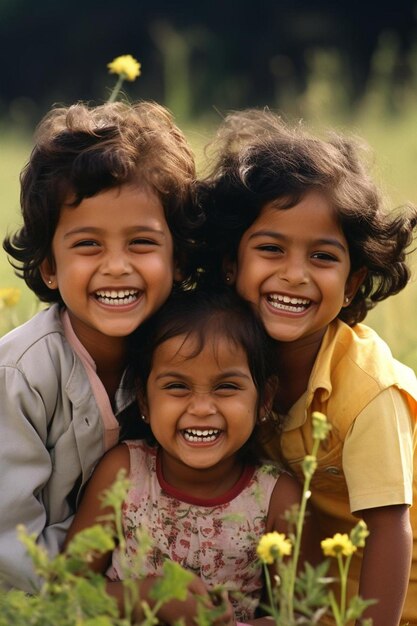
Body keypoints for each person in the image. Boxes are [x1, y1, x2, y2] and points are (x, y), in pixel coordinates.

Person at [198, 108, 417, 626]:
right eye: (271, 249)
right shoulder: (228, 363)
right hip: (308, 608)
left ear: (353, 282)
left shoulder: (368, 393)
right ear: (231, 265)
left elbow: (390, 531)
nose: (294, 275)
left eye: (322, 257)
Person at [0, 100, 198, 592]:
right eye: (88, 244)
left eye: (142, 243)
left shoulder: (185, 354)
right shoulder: (21, 375)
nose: (116, 266)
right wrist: (115, 599)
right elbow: (8, 546)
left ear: (178, 259)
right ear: (49, 266)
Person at [65, 287, 318, 626]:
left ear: (265, 400)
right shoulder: (124, 473)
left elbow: (302, 615)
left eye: (226, 387)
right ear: (143, 399)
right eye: (177, 387)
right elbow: (65, 590)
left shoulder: (276, 498)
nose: (201, 408)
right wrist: (148, 597)